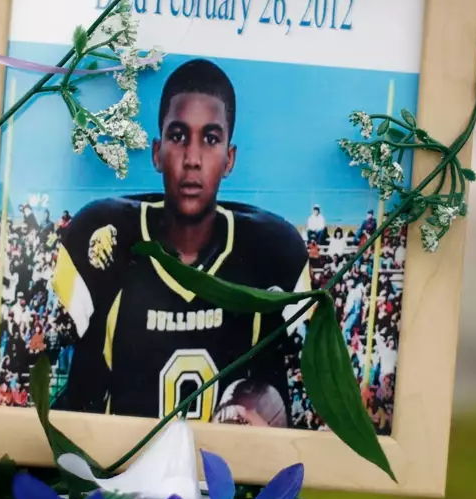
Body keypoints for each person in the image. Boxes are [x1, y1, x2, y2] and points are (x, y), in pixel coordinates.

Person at [50, 58, 310, 424]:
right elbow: (77, 398)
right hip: (117, 477)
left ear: (229, 158)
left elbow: (277, 400)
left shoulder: (268, 252)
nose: (192, 159)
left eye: (211, 139)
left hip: (224, 479)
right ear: (157, 152)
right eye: (178, 136)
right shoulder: (104, 238)